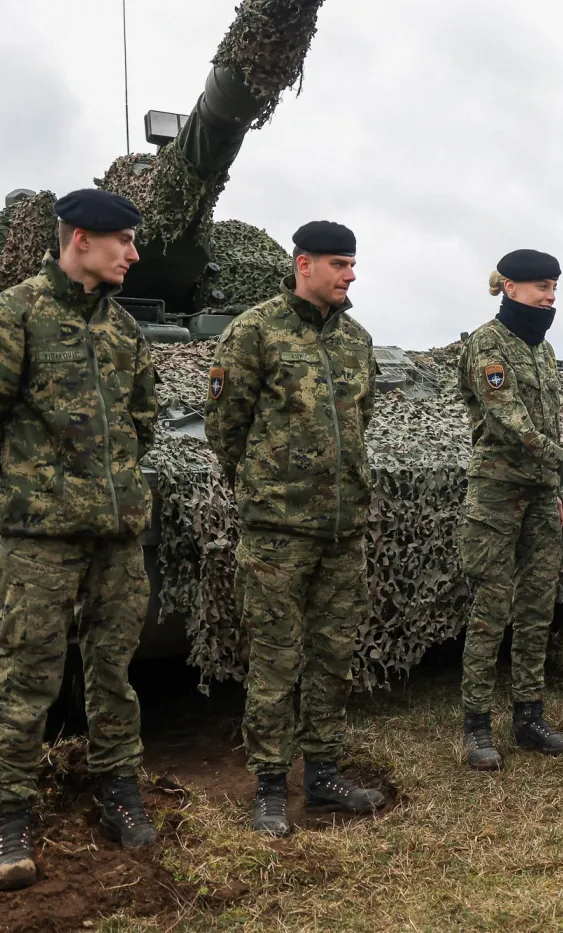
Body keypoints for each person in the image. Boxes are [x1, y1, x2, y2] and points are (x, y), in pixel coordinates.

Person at [0, 188, 159, 891]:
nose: (133, 254)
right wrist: (25, 491)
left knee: (112, 670)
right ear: (80, 240)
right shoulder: (12, 316)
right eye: (123, 240)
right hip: (38, 539)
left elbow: (143, 420)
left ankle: (118, 787)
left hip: (115, 539)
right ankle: (12, 813)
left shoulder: (123, 330)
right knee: (28, 673)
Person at [205, 220, 385, 836]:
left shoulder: (357, 340)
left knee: (334, 655)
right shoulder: (255, 331)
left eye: (353, 264)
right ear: (303, 264)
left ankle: (324, 772)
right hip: (277, 530)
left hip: (343, 528)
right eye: (339, 264)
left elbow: (361, 419)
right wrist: (264, 487)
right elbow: (225, 425)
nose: (351, 275)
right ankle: (270, 785)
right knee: (276, 659)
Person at [457, 248, 563, 771]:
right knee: (491, 610)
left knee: (537, 608)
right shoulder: (487, 343)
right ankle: (476, 724)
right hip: (496, 494)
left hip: (539, 495)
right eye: (541, 288)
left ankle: (529, 716)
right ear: (511, 287)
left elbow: (548, 423)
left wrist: (555, 484)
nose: (550, 297)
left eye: (554, 288)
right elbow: (506, 417)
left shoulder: (544, 350)